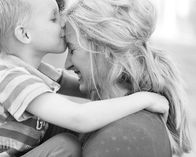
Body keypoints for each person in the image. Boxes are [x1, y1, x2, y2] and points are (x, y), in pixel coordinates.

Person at [0, 0, 169, 156]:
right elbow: (79, 117)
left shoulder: (34, 71)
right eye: (53, 18)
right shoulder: (12, 80)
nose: (62, 22)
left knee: (60, 127)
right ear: (24, 34)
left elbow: (86, 87)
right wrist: (143, 99)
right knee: (66, 145)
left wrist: (124, 79)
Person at [41, 0, 191, 156]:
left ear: (103, 51)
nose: (67, 65)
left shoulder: (123, 137)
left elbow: (78, 116)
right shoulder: (124, 111)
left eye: (72, 50)